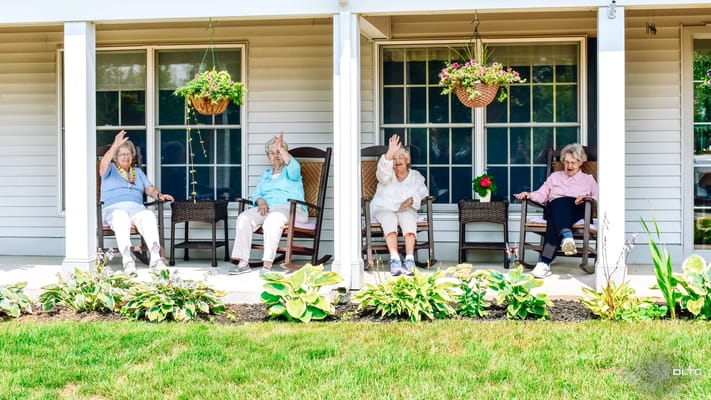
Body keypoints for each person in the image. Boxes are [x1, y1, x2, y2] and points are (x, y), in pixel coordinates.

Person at [514, 143, 598, 278]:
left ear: (580, 163)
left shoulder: (588, 179)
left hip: (578, 209)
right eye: (566, 162)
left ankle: (544, 263)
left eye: (573, 163)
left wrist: (587, 197)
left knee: (556, 215)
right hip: (555, 209)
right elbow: (541, 194)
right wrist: (529, 195)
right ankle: (567, 238)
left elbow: (597, 199)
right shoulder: (554, 177)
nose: (569, 166)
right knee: (558, 204)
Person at [229, 132, 306, 275]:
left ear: (284, 154)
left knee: (272, 220)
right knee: (244, 218)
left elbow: (293, 165)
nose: (276, 155)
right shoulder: (265, 175)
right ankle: (243, 263)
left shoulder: (292, 171)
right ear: (268, 157)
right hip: (267, 209)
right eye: (272, 153)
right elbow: (257, 194)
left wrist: (281, 148)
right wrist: (260, 200)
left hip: (292, 210)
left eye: (279, 152)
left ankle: (267, 265)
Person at [99, 130, 174, 275]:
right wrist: (115, 145)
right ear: (115, 157)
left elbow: (149, 189)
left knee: (148, 216)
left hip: (136, 209)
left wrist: (159, 195)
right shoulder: (109, 169)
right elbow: (103, 163)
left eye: (128, 154)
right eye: (122, 154)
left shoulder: (138, 172)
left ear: (132, 156)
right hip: (112, 209)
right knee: (121, 217)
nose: (126, 157)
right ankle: (127, 260)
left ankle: (155, 258)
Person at [370, 134, 429, 276]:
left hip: (405, 209)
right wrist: (389, 153)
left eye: (400, 157)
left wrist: (411, 200)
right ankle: (395, 259)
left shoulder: (415, 176)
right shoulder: (386, 174)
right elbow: (381, 173)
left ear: (408, 160)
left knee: (409, 219)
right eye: (394, 158)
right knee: (390, 219)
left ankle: (409, 259)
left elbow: (423, 192)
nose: (397, 161)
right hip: (383, 208)